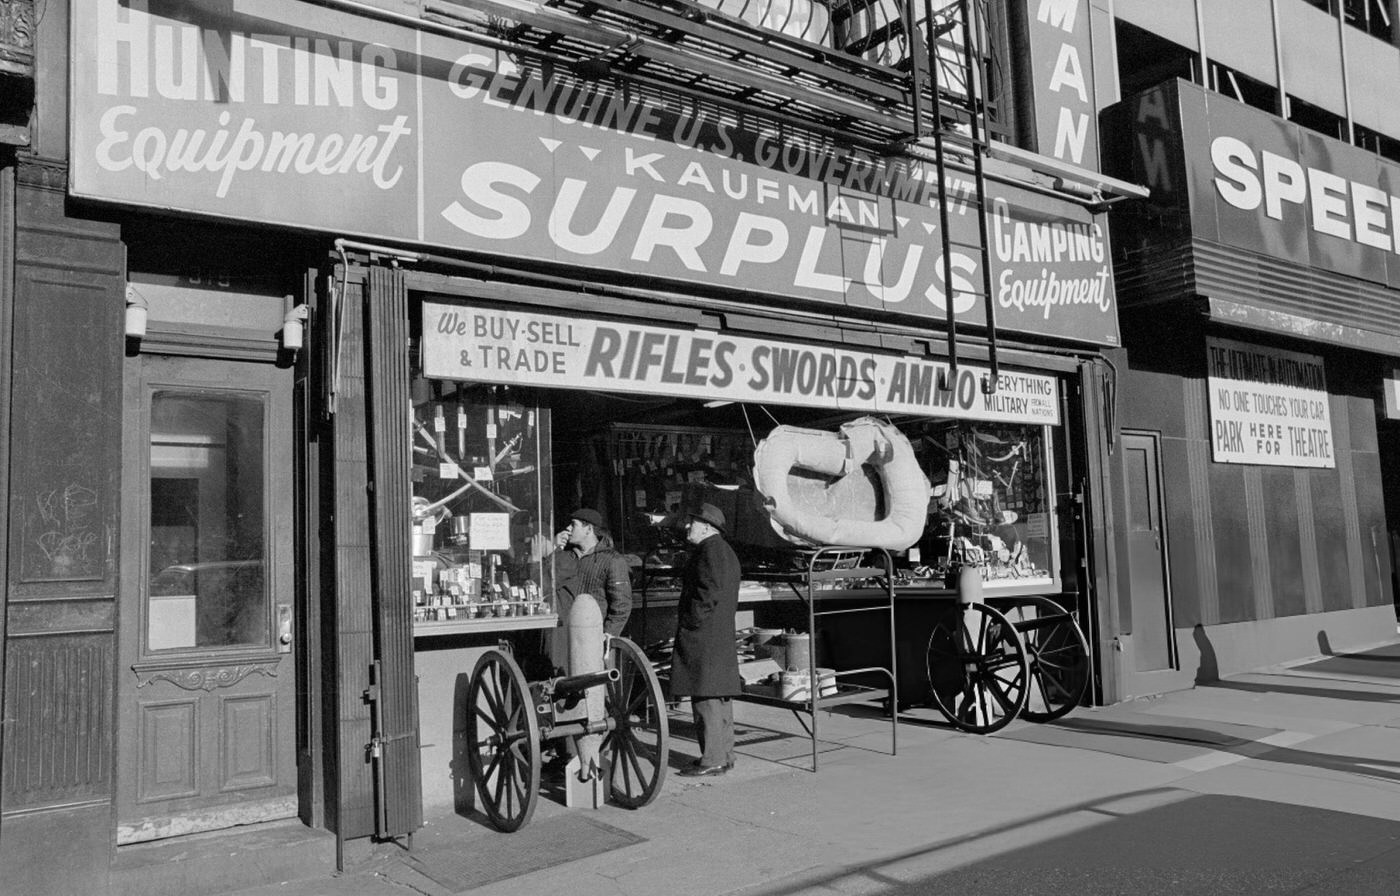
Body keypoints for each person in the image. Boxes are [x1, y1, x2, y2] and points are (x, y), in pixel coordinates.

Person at [670, 502, 742, 778]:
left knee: (705, 698)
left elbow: (707, 593)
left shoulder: (709, 551)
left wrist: (690, 621)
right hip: (718, 634)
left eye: (693, 523)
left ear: (707, 527)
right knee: (718, 696)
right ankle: (724, 756)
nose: (688, 526)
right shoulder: (724, 551)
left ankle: (711, 758)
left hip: (704, 636)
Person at [553, 507, 632, 638]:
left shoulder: (613, 560)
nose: (568, 528)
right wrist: (555, 549)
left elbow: (621, 604)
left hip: (594, 635)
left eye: (573, 524)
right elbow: (550, 585)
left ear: (589, 529)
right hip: (565, 634)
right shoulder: (567, 557)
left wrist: (608, 634)